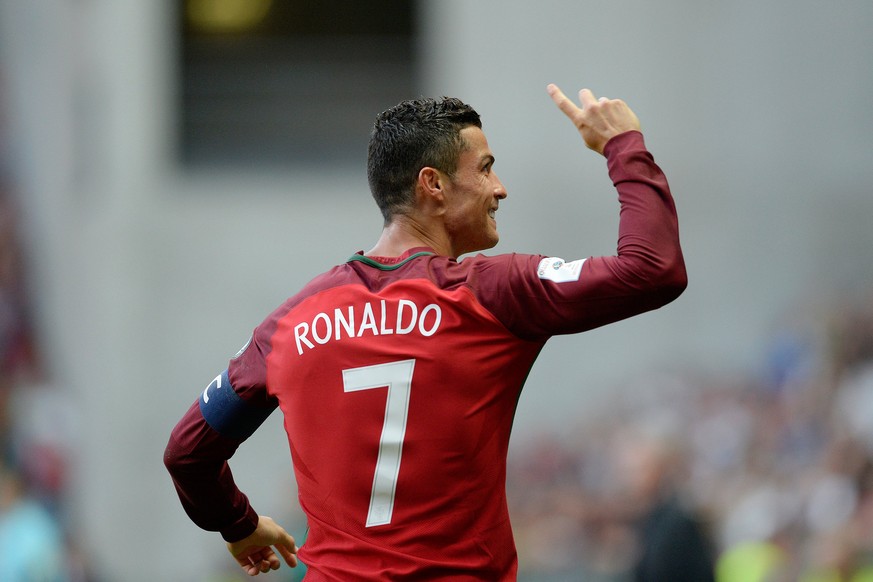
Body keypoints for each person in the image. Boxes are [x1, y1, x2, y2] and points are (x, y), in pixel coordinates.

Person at [164, 82, 687, 580]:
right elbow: (652, 269)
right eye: (485, 169)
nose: (500, 188)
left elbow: (188, 453)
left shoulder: (289, 324)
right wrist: (623, 145)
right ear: (433, 184)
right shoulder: (492, 294)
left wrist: (239, 524)